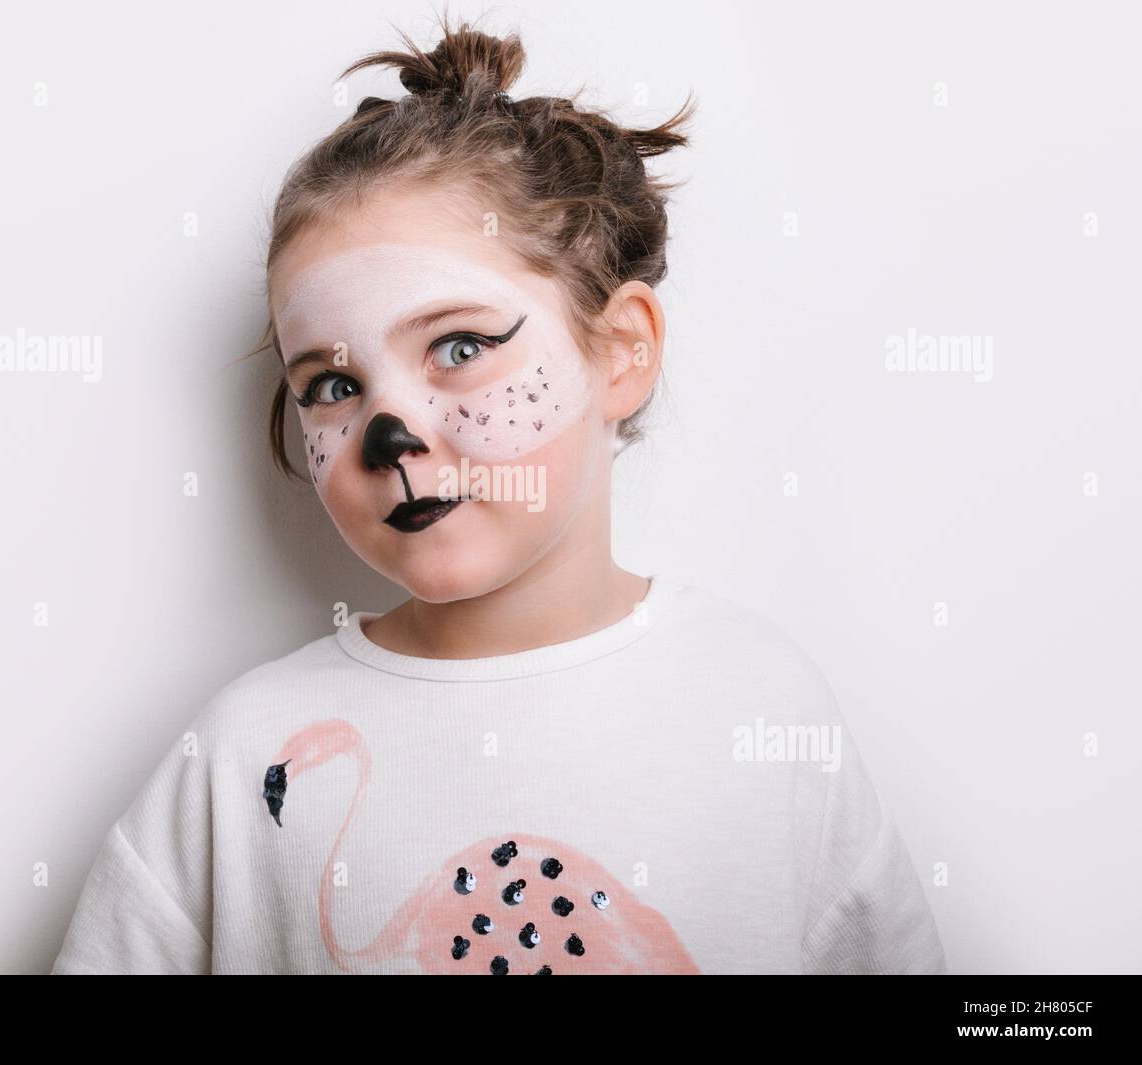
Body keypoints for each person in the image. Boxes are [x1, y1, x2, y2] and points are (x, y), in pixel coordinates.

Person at [51, 16, 946, 975]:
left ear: (622, 352)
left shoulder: (761, 705)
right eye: (332, 385)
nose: (391, 436)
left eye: (462, 348)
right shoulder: (239, 758)